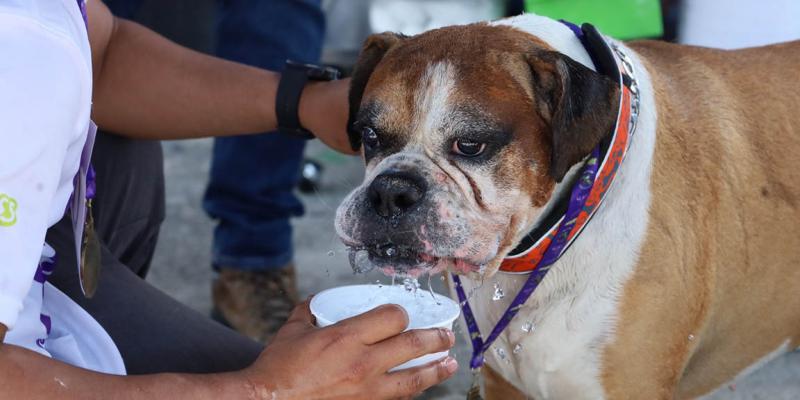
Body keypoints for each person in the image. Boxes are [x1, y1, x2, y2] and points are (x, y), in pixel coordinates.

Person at [0, 0, 458, 398]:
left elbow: (103, 51)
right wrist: (264, 390)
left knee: (117, 144)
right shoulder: (21, 57)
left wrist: (306, 104)